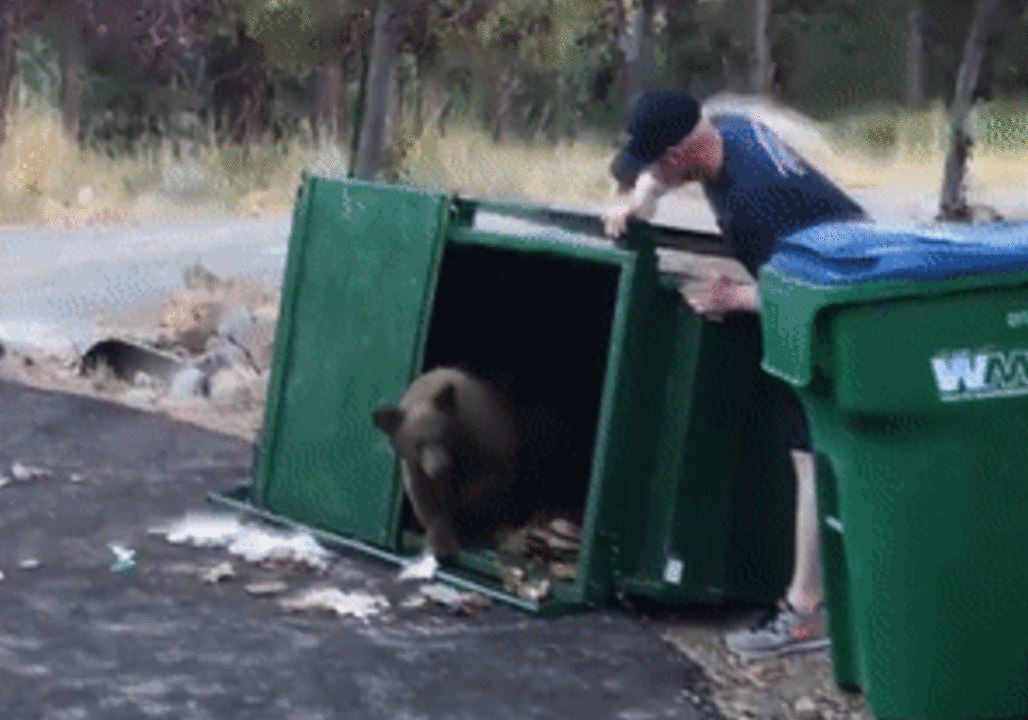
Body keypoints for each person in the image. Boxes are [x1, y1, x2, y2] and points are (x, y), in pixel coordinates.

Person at [603, 89, 866, 658]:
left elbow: (817, 294)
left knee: (814, 458)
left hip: (850, 305)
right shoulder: (728, 129)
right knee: (816, 454)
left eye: (652, 163)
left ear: (677, 156)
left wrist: (738, 296)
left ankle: (803, 616)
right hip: (831, 262)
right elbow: (673, 159)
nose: (647, 173)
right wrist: (641, 200)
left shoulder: (756, 204)